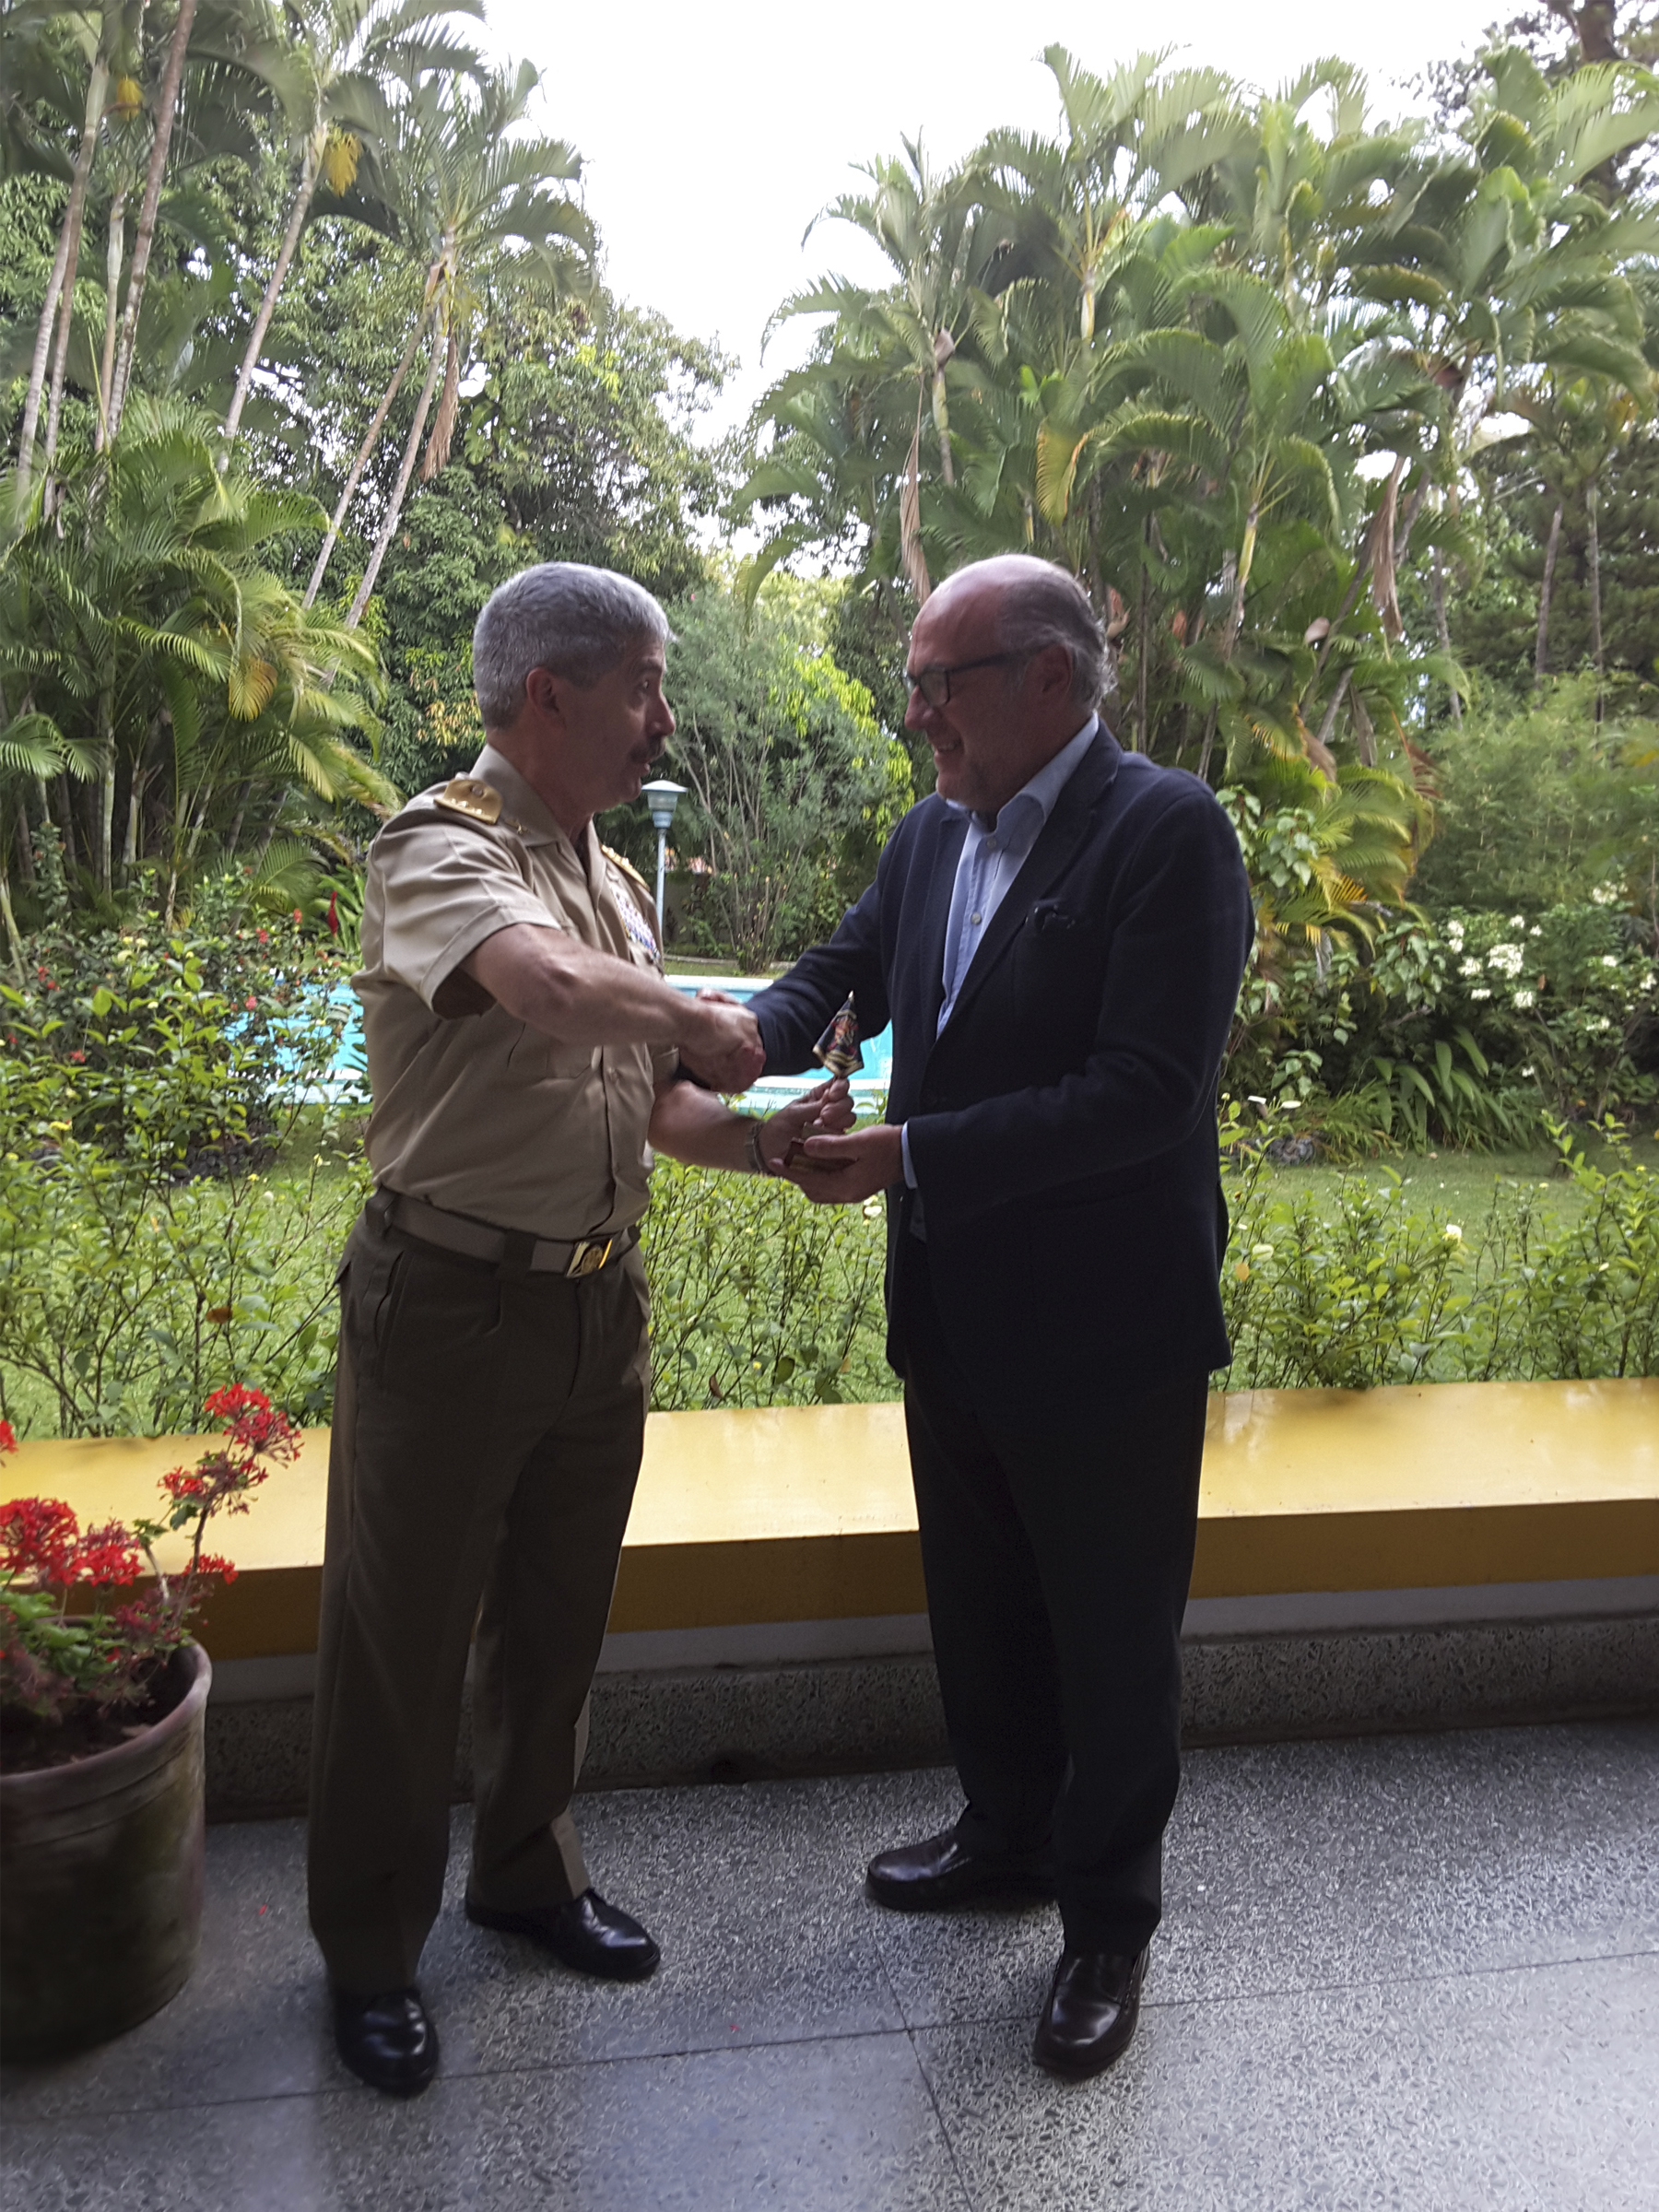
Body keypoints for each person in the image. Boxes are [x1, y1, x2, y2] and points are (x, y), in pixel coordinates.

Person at [308, 560, 849, 2097]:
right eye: (644, 686)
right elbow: (542, 991)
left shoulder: (612, 876)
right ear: (549, 695)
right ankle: (370, 1953)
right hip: (449, 1302)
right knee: (404, 1639)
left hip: (596, 1301)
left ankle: (526, 1875)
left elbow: (652, 1105)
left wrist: (765, 1142)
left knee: (559, 1618)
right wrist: (700, 1014)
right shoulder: (439, 845)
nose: (664, 718)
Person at [754, 554, 1253, 2081]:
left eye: (937, 684)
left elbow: (1142, 1096)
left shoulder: (1166, 833)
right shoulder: (931, 834)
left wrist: (907, 1154)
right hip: (954, 1311)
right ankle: (1007, 1835)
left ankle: (1106, 1925)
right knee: (979, 1609)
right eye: (914, 684)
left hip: (1106, 1332)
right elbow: (840, 970)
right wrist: (722, 1041)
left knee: (1110, 1638)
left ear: (1047, 677)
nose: (917, 715)